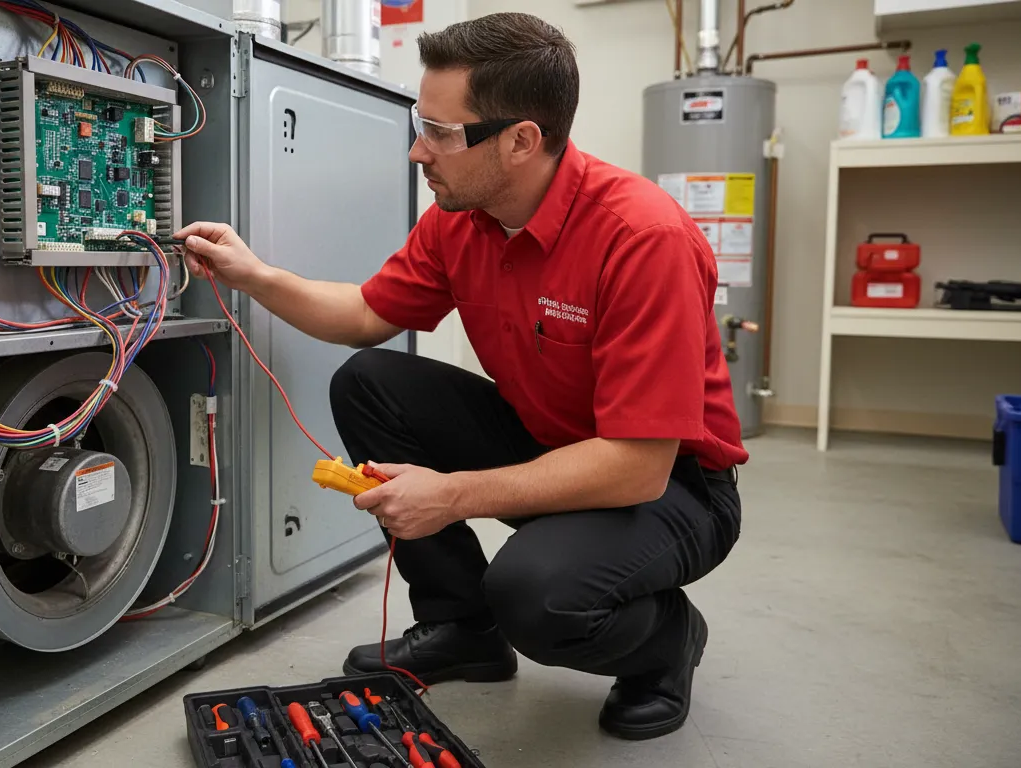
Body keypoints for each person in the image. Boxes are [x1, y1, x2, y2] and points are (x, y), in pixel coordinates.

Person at [173, 11, 746, 742]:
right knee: (369, 380)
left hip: (673, 486)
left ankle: (666, 643)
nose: (419, 151)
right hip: (551, 441)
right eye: (422, 124)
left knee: (535, 596)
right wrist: (252, 274)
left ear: (520, 141)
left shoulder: (643, 239)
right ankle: (460, 629)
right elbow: (362, 315)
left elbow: (635, 467)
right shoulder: (460, 219)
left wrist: (451, 496)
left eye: (441, 133)